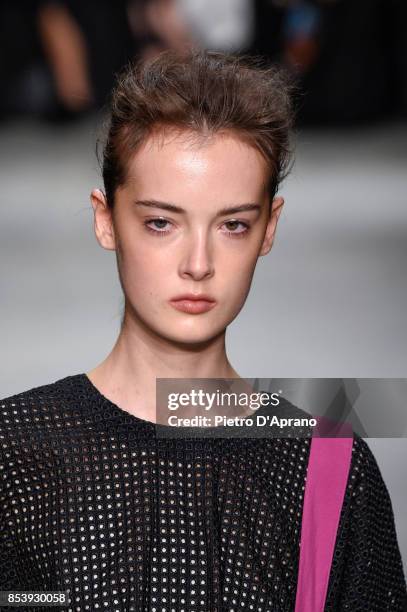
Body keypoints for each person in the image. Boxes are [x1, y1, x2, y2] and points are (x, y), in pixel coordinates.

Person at [1, 49, 406, 611]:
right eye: (161, 223)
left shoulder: (326, 467)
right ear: (105, 219)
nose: (198, 263)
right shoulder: (16, 455)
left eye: (233, 225)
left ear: (269, 229)